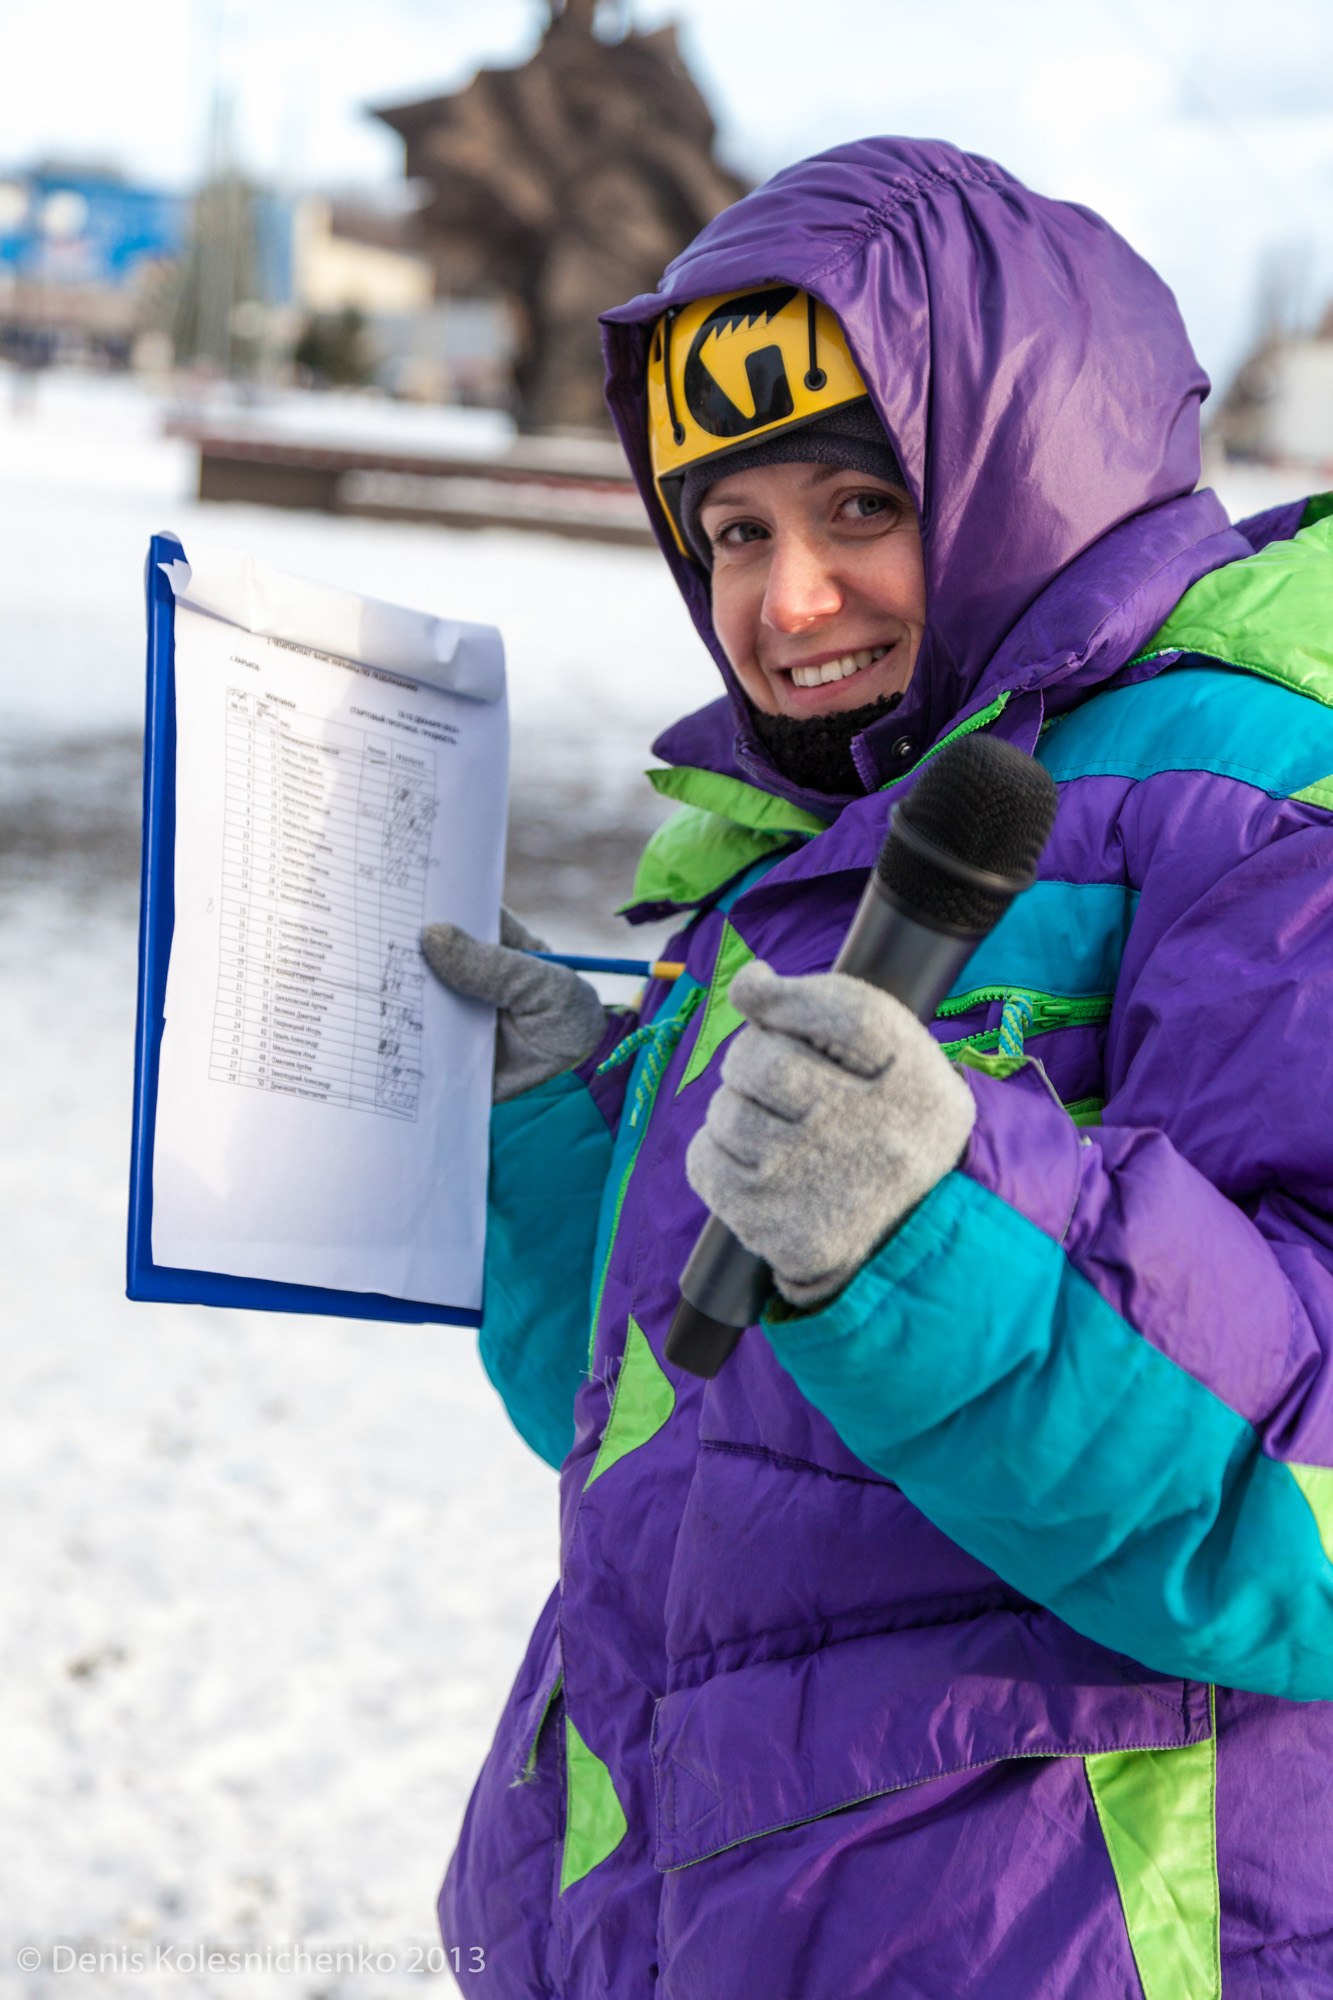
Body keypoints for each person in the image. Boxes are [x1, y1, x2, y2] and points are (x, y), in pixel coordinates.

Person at [421, 137, 1333, 1998]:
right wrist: (553, 1140)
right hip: (697, 1909)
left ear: (1023, 475)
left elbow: (1304, 1525)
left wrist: (925, 1233)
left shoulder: (1258, 809)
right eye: (735, 531)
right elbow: (671, 1416)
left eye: (857, 507)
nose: (789, 599)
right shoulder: (789, 858)